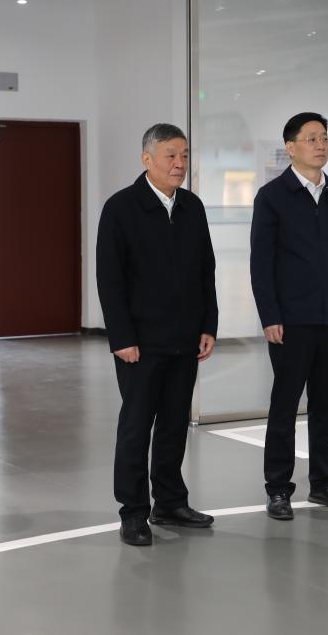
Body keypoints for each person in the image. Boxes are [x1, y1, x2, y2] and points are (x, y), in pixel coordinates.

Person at [96, 123, 219, 546]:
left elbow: (206, 271)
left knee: (173, 424)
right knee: (136, 426)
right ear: (147, 159)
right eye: (170, 155)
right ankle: (133, 512)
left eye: (184, 155)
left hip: (185, 338)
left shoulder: (192, 206)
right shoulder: (121, 208)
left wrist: (208, 324)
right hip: (141, 342)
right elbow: (109, 279)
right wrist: (121, 337)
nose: (179, 163)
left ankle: (169, 501)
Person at [250, 112, 328, 521]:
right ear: (291, 147)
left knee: (324, 407)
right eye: (312, 138)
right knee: (284, 407)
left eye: (325, 138)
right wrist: (269, 315)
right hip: (291, 321)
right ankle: (278, 488)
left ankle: (323, 483)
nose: (321, 145)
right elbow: (261, 263)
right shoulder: (272, 196)